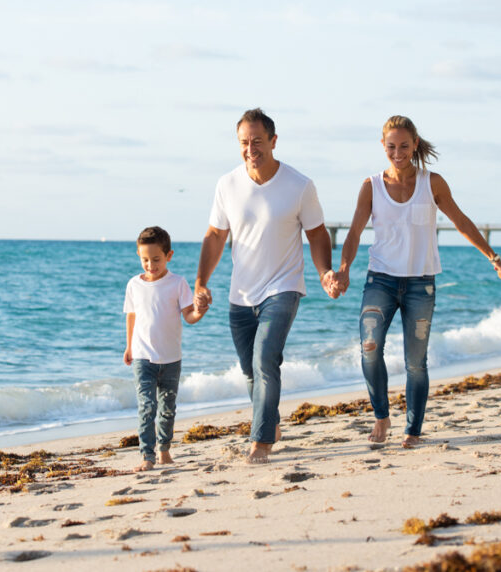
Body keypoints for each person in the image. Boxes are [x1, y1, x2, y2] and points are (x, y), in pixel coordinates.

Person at [333, 115, 501, 448]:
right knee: (369, 349)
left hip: (420, 285)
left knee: (416, 362)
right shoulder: (371, 185)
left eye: (403, 146)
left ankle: (413, 431)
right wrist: (343, 269)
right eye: (391, 147)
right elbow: (355, 232)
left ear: (415, 144)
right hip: (380, 280)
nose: (397, 153)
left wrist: (494, 258)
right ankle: (382, 416)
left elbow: (462, 222)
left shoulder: (434, 183)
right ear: (382, 146)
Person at [195, 108, 341, 464]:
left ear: (274, 141)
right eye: (244, 142)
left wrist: (324, 271)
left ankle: (261, 442)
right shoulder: (227, 184)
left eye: (257, 141)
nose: (250, 149)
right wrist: (201, 281)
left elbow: (317, 233)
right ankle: (271, 422)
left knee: (265, 359)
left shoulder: (299, 185)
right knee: (250, 370)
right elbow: (215, 235)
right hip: (240, 293)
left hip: (284, 287)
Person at [123, 226, 206, 472]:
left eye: (156, 259)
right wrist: (128, 346)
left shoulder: (178, 283)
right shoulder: (134, 285)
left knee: (168, 408)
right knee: (147, 407)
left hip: (171, 359)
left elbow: (189, 316)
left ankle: (164, 451)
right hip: (142, 357)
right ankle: (147, 456)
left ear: (169, 256)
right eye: (145, 259)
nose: (150, 265)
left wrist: (200, 310)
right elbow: (131, 316)